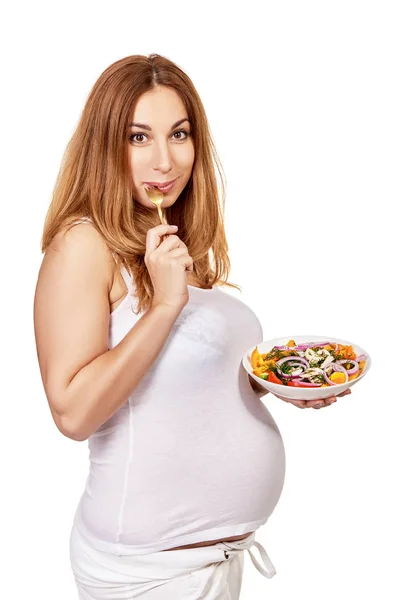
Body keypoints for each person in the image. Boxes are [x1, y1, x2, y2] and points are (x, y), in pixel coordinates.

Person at [33, 53, 351, 600]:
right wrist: (163, 307)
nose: (165, 161)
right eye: (138, 138)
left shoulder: (170, 245)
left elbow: (171, 381)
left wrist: (274, 383)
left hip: (209, 564)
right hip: (151, 572)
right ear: (104, 145)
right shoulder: (83, 246)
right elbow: (72, 411)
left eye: (179, 134)